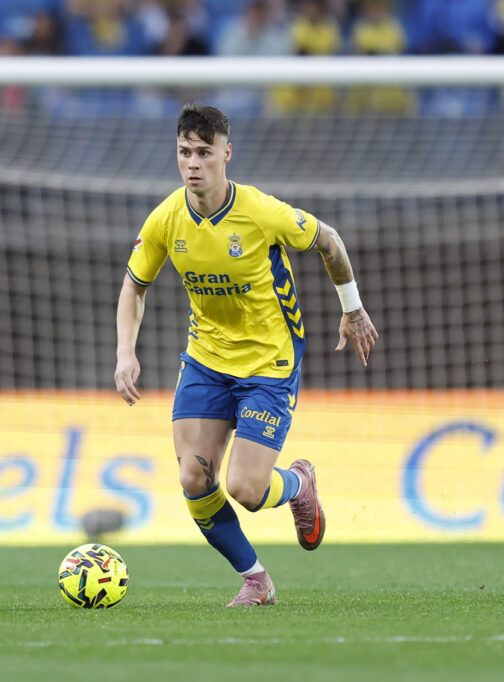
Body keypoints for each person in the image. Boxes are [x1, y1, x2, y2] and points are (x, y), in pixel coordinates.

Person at [114, 104, 377, 607]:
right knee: (194, 476)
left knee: (247, 489)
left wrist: (353, 309)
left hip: (268, 364)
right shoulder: (167, 218)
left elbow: (330, 241)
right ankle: (256, 579)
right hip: (206, 360)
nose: (193, 164)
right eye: (185, 152)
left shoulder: (261, 212)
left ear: (226, 154)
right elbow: (134, 286)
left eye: (204, 153)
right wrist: (126, 353)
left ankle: (300, 484)